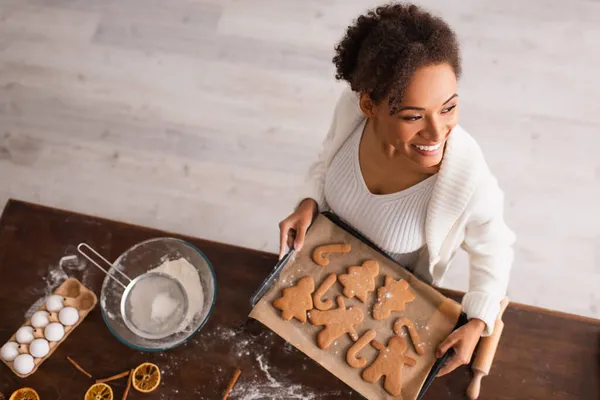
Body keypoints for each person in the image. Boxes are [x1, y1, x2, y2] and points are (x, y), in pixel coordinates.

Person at [278, 3, 515, 377]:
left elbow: (495, 247)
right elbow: (326, 158)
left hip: (384, 308)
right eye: (413, 116)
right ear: (369, 105)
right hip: (316, 273)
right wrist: (310, 200)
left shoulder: (468, 180)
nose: (437, 133)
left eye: (449, 108)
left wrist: (477, 321)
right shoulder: (351, 112)